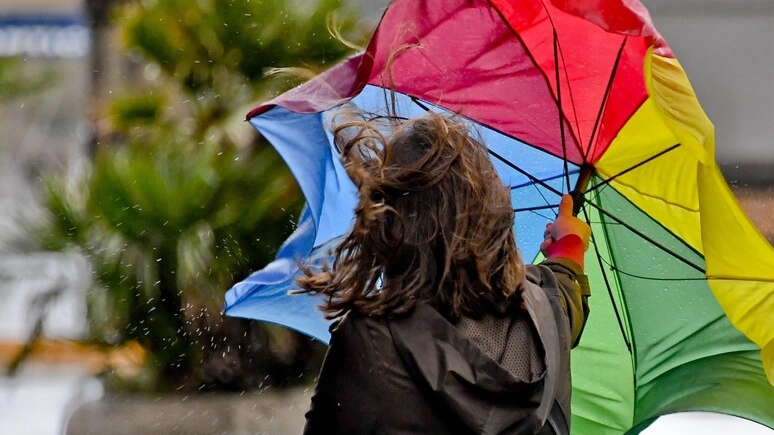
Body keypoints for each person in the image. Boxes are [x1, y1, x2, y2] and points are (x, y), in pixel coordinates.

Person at [297, 111, 591, 435]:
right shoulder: (549, 308)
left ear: (390, 224)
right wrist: (571, 245)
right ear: (494, 214)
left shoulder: (369, 340)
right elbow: (567, 284)